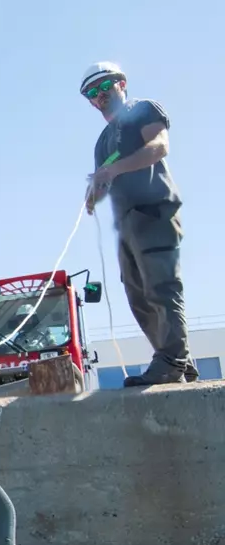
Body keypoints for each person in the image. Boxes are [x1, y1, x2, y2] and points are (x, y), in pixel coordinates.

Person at [82, 61, 197, 386]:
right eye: (93, 93)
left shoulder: (142, 110)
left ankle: (172, 360)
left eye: (105, 86)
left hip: (154, 209)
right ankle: (177, 363)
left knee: (161, 286)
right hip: (126, 223)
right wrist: (94, 195)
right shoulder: (103, 141)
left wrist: (114, 170)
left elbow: (159, 146)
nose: (100, 95)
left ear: (122, 83)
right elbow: (105, 180)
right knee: (138, 294)